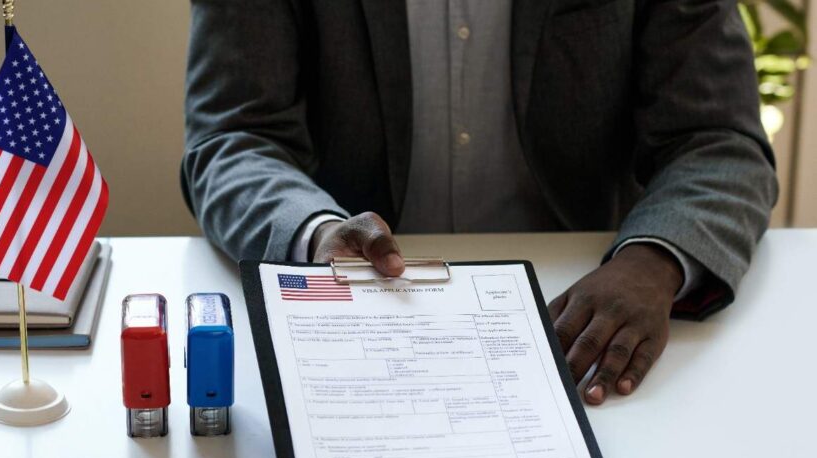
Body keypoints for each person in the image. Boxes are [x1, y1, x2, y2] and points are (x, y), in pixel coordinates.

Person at [180, 0, 777, 404]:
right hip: (359, 312)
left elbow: (717, 138)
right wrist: (314, 232)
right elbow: (234, 138)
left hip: (583, 306)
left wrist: (655, 259)